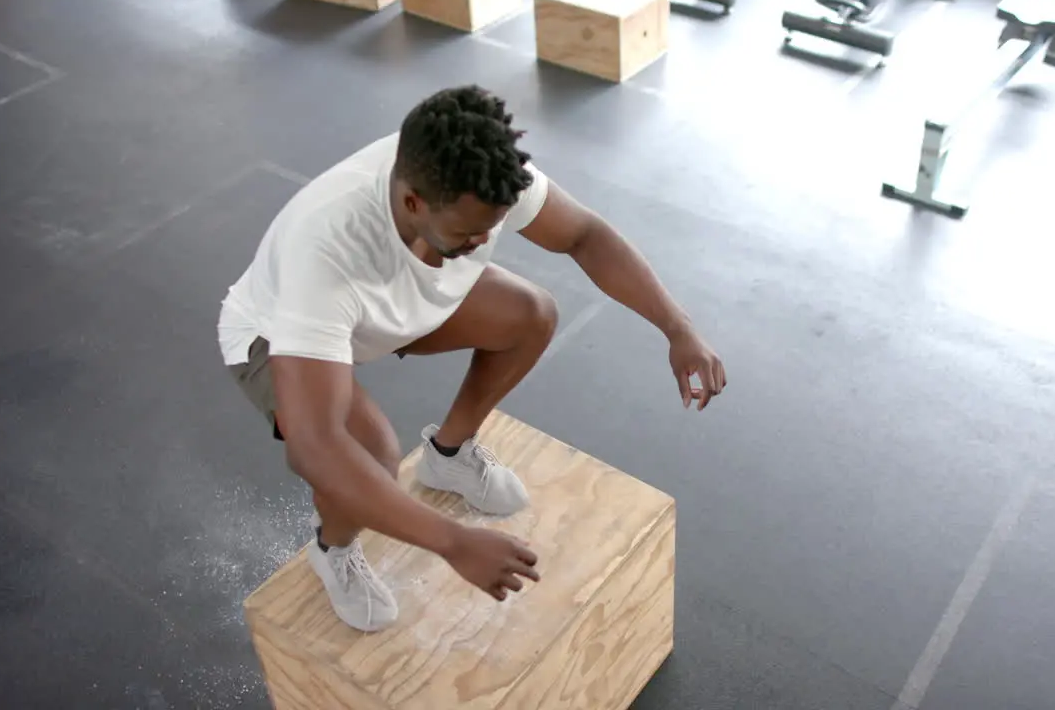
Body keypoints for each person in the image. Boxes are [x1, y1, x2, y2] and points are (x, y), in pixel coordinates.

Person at [217, 85, 726, 632]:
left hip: (389, 307)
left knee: (531, 314)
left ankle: (448, 454)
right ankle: (332, 548)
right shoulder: (324, 251)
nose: (484, 239)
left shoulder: (482, 176)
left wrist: (679, 327)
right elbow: (316, 448)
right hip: (281, 335)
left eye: (494, 225)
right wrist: (452, 542)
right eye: (468, 232)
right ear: (413, 202)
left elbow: (584, 234)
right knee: (370, 455)